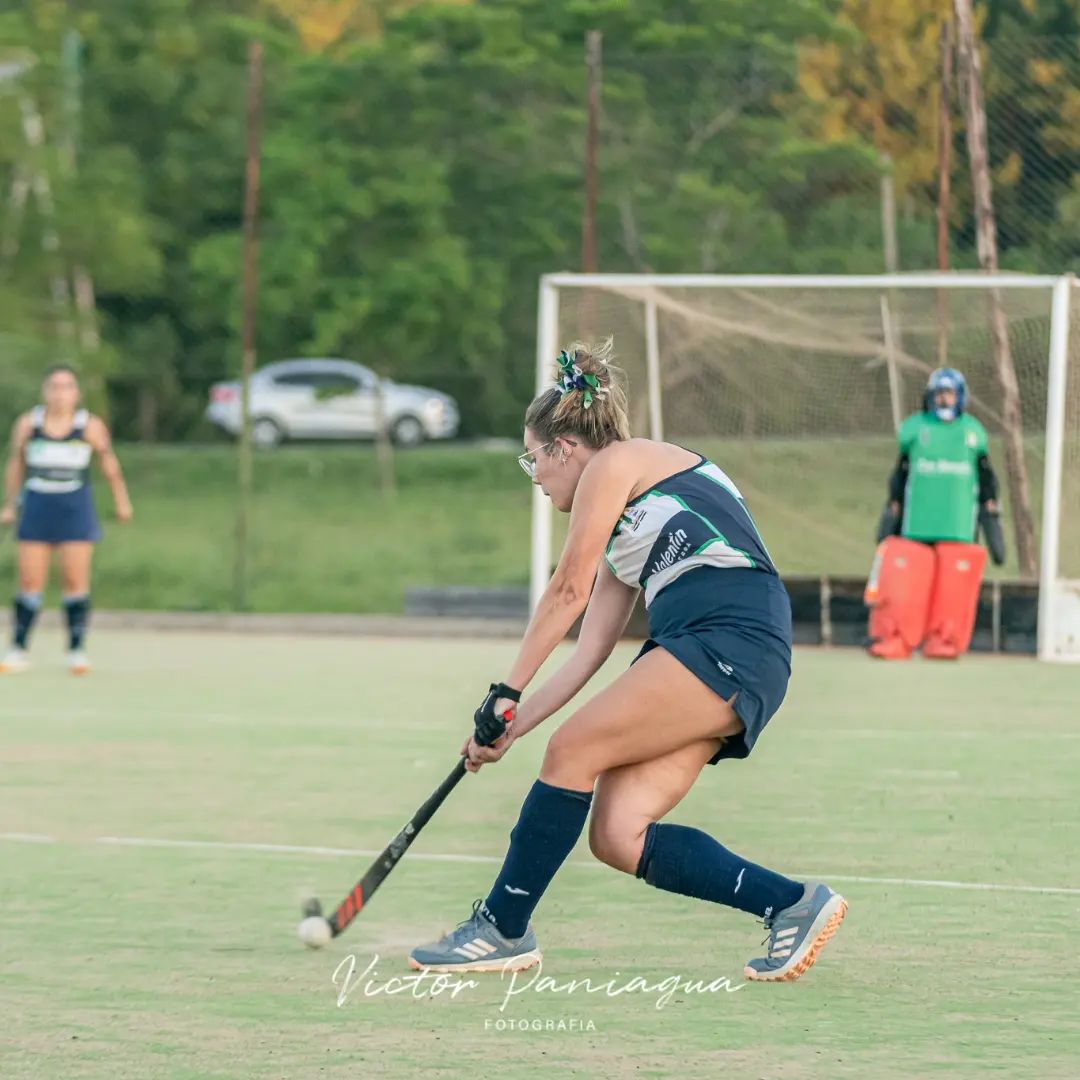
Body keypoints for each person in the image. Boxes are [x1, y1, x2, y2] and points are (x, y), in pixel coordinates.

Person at [408, 342, 847, 983]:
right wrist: (511, 726)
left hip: (728, 635)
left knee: (572, 750)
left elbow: (566, 591)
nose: (535, 477)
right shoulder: (623, 526)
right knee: (618, 833)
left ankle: (501, 928)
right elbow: (588, 652)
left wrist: (505, 688)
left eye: (533, 459)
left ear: (565, 447)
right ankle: (791, 904)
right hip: (725, 649)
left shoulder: (617, 462)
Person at [0, 364, 133, 674]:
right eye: (54, 387)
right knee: (30, 580)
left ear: (77, 393)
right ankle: (18, 647)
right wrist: (10, 504)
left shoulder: (89, 426)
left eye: (67, 387)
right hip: (37, 507)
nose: (60, 394)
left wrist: (122, 501)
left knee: (74, 580)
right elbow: (16, 464)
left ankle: (76, 649)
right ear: (45, 391)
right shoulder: (28, 424)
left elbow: (108, 464)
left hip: (74, 509)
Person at [866, 367, 1003, 660]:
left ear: (960, 397)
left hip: (958, 528)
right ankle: (897, 638)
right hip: (916, 527)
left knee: (952, 591)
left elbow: (986, 477)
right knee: (905, 586)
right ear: (930, 396)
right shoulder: (915, 429)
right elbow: (900, 474)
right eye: (939, 394)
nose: (944, 399)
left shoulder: (972, 433)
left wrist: (990, 506)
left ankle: (944, 640)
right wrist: (893, 505)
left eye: (949, 394)